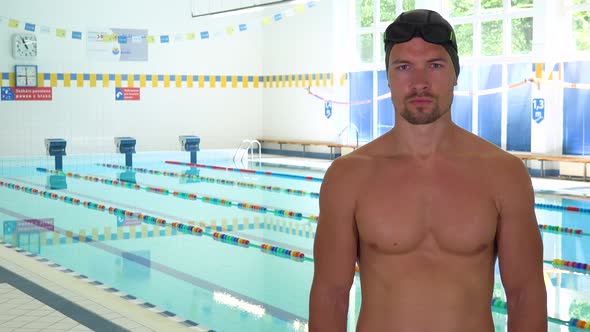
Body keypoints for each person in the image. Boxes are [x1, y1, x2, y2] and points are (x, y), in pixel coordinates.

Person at [309, 8, 547, 332]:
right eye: (404, 67)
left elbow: (525, 295)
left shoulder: (504, 175)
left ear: (455, 74)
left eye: (434, 65)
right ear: (389, 77)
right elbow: (330, 296)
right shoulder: (348, 177)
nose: (419, 83)